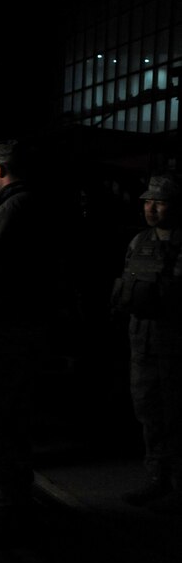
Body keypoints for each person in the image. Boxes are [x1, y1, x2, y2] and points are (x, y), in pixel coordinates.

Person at [0, 140, 51, 543]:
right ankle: (10, 503)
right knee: (4, 419)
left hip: (4, 330)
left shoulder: (14, 209)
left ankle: (12, 508)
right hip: (10, 328)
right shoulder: (27, 205)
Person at [112, 174, 182, 514]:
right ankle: (158, 479)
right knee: (148, 411)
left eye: (160, 202)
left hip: (174, 342)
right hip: (142, 340)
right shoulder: (139, 241)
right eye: (147, 202)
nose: (151, 208)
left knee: (175, 414)